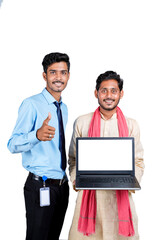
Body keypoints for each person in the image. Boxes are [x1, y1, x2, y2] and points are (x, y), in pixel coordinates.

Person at [68, 71, 144, 240]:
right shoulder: (82, 122)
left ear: (121, 94)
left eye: (113, 91)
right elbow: (73, 159)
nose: (109, 95)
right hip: (89, 197)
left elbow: (138, 161)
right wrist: (76, 179)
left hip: (120, 198)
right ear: (96, 93)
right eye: (104, 91)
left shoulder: (131, 125)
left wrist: (130, 180)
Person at [7, 52, 70, 240]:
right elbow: (12, 144)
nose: (58, 77)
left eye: (63, 72)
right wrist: (36, 135)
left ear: (68, 76)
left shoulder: (63, 107)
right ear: (45, 76)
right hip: (40, 185)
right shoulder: (31, 104)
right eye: (53, 72)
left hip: (61, 186)